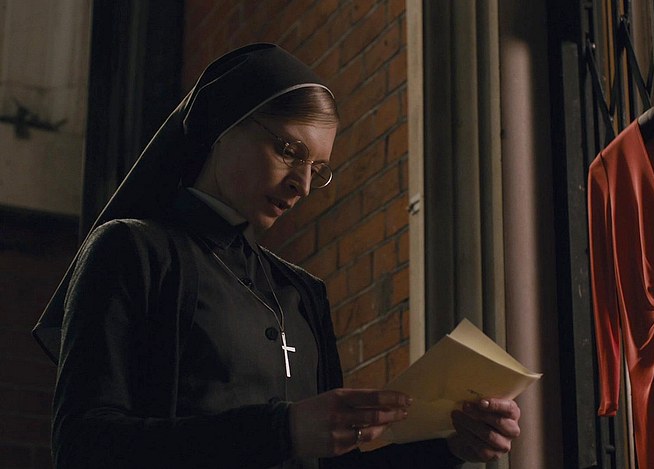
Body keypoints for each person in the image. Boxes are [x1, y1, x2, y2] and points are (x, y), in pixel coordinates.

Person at [33, 43, 522, 468]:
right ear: (223, 126)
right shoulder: (132, 250)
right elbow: (83, 446)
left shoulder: (302, 292)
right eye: (289, 150)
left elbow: (327, 465)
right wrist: (282, 430)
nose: (302, 184)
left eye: (318, 169)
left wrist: (450, 446)